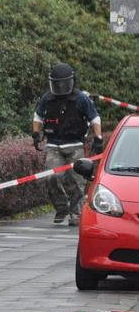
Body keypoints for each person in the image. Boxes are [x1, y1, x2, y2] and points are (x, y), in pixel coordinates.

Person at [32, 63, 103, 226]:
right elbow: (37, 117)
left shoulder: (81, 98)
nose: (61, 87)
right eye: (57, 84)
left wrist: (98, 138)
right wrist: (36, 134)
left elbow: (95, 118)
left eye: (64, 83)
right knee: (51, 177)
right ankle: (62, 207)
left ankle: (75, 214)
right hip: (54, 146)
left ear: (71, 82)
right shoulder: (47, 99)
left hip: (75, 145)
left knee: (76, 181)